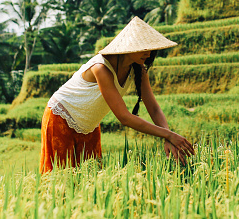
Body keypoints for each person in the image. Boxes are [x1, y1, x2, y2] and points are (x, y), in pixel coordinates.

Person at [40, 16, 195, 173]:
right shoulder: (101, 68)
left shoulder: (138, 69)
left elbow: (153, 108)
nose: (148, 54)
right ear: (129, 46)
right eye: (144, 48)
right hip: (61, 117)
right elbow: (124, 117)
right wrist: (169, 135)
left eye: (151, 49)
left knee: (89, 179)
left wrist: (167, 137)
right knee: (59, 180)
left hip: (89, 125)